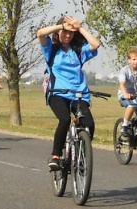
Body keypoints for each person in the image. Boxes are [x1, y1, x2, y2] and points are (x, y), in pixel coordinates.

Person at [37, 15, 101, 171]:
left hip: (79, 94)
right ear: (59, 33)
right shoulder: (51, 50)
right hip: (57, 93)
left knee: (89, 125)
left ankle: (79, 155)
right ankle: (56, 156)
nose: (67, 35)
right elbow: (40, 33)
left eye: (70, 33)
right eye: (65, 32)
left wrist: (79, 28)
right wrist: (61, 26)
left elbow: (95, 44)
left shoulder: (79, 51)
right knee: (64, 119)